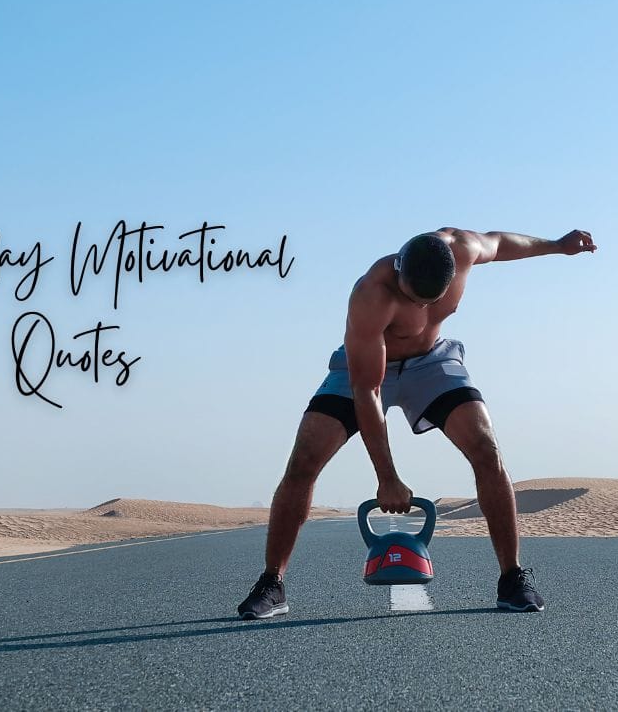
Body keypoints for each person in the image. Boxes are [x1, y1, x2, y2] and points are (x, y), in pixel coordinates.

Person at [236, 227, 597, 618]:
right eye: (411, 297)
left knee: (486, 449)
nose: (419, 306)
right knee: (304, 459)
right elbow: (367, 390)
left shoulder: (463, 248)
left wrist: (557, 246)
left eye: (430, 301)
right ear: (399, 271)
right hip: (365, 369)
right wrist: (387, 477)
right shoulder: (372, 294)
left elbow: (501, 244)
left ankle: (512, 577)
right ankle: (272, 582)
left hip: (433, 362)